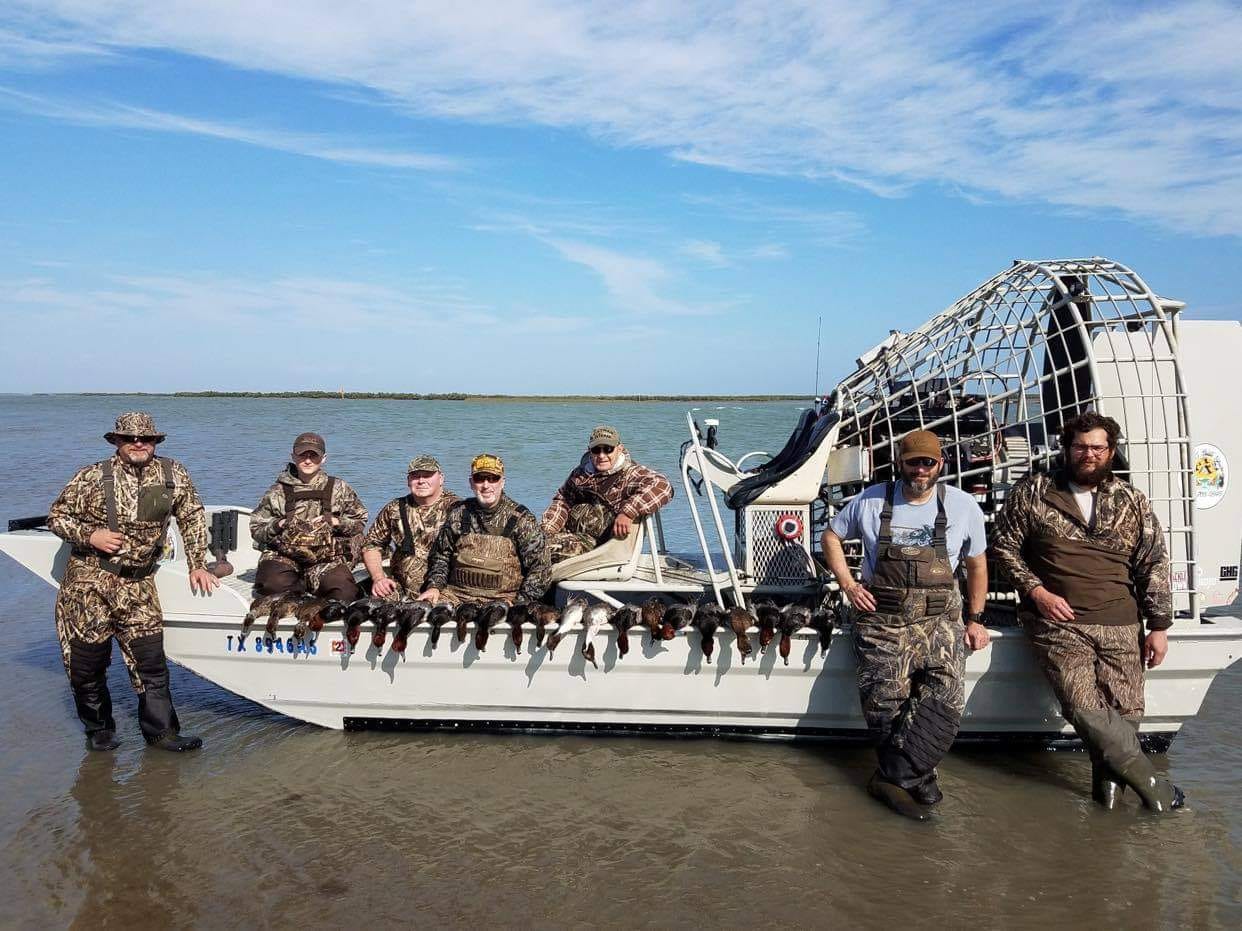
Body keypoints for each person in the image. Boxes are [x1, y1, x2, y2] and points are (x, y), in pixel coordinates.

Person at [991, 411, 1184, 811]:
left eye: (1097, 447)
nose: (1089, 454)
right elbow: (1003, 547)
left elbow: (1154, 563)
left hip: (1121, 622)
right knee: (1083, 708)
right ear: (1066, 448)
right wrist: (1037, 592)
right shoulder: (1034, 492)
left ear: (1111, 451)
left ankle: (1106, 806)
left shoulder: (1132, 501)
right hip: (1058, 622)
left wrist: (1159, 626)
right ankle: (1156, 788)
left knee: (1126, 715)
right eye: (1080, 446)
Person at [821, 430, 990, 819]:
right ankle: (917, 780)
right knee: (885, 708)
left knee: (946, 703)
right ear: (900, 462)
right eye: (913, 462)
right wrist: (848, 585)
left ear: (940, 465)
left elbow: (977, 564)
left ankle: (893, 778)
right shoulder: (870, 500)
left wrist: (975, 619)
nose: (921, 470)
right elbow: (831, 536)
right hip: (883, 620)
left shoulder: (963, 506)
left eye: (928, 463)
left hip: (940, 619)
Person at [48, 412, 219, 752]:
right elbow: (57, 517)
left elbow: (193, 517)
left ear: (156, 441)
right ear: (117, 441)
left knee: (150, 663)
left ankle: (162, 734)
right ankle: (99, 730)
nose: (139, 443)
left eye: (147, 438)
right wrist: (90, 534)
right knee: (87, 664)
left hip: (139, 586)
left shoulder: (173, 473)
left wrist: (198, 564)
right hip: (89, 584)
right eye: (130, 438)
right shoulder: (93, 475)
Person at [249, 432, 367, 603]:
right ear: (293, 456)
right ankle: (299, 592)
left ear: (324, 458)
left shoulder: (340, 488)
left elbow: (360, 521)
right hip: (282, 557)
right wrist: (278, 524)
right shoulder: (276, 491)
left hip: (326, 559)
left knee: (345, 592)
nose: (308, 460)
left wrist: (337, 522)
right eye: (303, 454)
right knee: (270, 585)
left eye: (314, 455)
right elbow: (256, 529)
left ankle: (312, 589)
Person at [420, 454, 550, 606]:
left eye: (493, 478)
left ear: (502, 482)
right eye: (479, 479)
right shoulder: (458, 514)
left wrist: (520, 602)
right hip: (456, 597)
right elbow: (441, 557)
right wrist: (434, 587)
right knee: (418, 611)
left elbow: (540, 569)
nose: (486, 485)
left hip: (505, 601)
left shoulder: (522, 519)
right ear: (471, 483)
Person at [541, 425, 674, 563]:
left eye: (608, 449)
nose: (602, 455)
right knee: (533, 544)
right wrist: (547, 531)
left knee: (543, 551)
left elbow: (663, 486)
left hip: (600, 547)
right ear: (589, 451)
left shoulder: (630, 474)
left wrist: (628, 513)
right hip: (570, 535)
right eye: (596, 450)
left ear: (619, 449)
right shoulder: (579, 474)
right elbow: (562, 502)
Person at [362, 455, 459, 600]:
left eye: (427, 475)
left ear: (441, 478)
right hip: (399, 587)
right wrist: (379, 578)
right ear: (408, 480)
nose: (421, 480)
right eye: (415, 476)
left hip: (445, 589)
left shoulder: (458, 509)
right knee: (371, 606)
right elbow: (371, 545)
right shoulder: (395, 508)